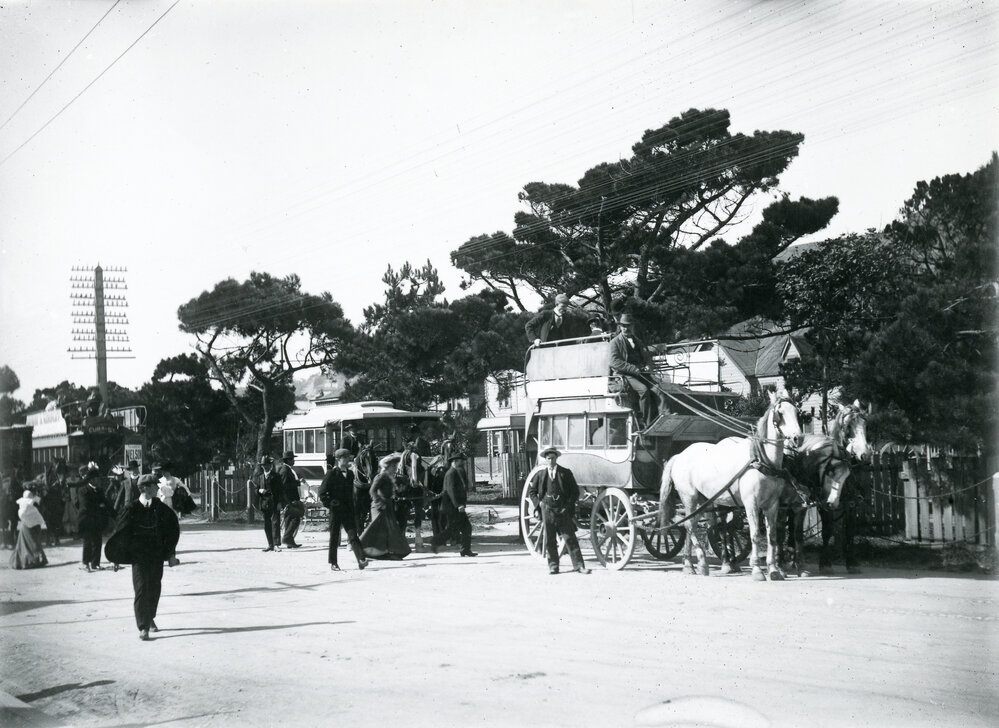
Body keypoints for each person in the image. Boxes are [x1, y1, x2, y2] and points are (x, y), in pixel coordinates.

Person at [105, 474, 180, 641]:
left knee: (154, 588)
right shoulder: (131, 509)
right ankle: (143, 626)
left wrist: (171, 555)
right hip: (138, 557)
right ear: (144, 488)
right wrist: (116, 557)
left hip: (156, 555)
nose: (157, 488)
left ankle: (150, 616)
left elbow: (172, 530)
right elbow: (121, 533)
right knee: (141, 589)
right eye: (154, 486)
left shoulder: (161, 509)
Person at [527, 448, 589, 575]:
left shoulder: (565, 473)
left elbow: (575, 492)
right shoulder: (541, 475)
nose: (551, 461)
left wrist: (568, 505)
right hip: (547, 510)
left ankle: (579, 566)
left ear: (556, 459)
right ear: (546, 460)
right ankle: (553, 566)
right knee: (550, 539)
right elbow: (532, 492)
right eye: (548, 459)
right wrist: (539, 504)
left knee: (570, 538)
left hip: (563, 510)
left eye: (553, 458)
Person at [317, 449, 368, 572]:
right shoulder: (331, 474)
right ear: (338, 460)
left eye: (348, 458)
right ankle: (333, 563)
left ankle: (361, 560)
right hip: (336, 511)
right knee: (334, 537)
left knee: (353, 535)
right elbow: (322, 492)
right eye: (344, 458)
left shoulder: (350, 474)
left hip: (348, 510)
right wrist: (330, 503)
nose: (347, 460)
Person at [609, 313, 659, 430]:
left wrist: (648, 366)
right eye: (623, 326)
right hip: (625, 375)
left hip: (641, 374)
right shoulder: (615, 342)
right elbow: (614, 362)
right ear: (620, 327)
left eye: (628, 326)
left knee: (657, 388)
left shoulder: (638, 341)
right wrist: (633, 369)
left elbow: (647, 357)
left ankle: (666, 416)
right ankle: (647, 423)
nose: (626, 328)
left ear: (632, 327)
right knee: (643, 390)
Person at [359, 454, 411, 560]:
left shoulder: (389, 477)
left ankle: (384, 552)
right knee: (375, 529)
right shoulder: (381, 476)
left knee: (389, 530)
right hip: (379, 507)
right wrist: (379, 503)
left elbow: (389, 492)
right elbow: (372, 490)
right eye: (393, 467)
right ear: (387, 467)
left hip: (387, 506)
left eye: (396, 466)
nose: (395, 469)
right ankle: (361, 548)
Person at [433, 452, 476, 557]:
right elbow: (451, 491)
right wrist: (458, 505)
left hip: (454, 507)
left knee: (461, 528)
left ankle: (465, 550)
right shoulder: (451, 473)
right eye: (461, 461)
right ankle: (435, 541)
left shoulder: (454, 472)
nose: (462, 463)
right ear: (455, 462)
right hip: (452, 507)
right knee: (457, 529)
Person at [77, 463, 112, 572]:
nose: (99, 481)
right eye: (97, 479)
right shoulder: (83, 490)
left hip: (96, 520)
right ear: (91, 480)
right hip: (86, 520)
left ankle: (95, 564)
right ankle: (85, 563)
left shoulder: (99, 490)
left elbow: (105, 503)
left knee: (97, 541)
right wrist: (98, 505)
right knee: (87, 542)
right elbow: (85, 505)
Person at [525, 293, 590, 346]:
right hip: (546, 349)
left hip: (562, 351)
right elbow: (529, 325)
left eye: (566, 307)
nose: (565, 309)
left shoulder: (568, 317)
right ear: (556, 304)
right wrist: (535, 339)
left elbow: (575, 331)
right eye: (562, 306)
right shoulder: (546, 314)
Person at [9, 489, 48, 569]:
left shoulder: (22, 508)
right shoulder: (32, 509)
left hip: (25, 527)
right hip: (32, 528)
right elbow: (39, 520)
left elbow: (22, 516)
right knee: (34, 544)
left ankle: (23, 561)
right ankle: (34, 561)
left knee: (24, 544)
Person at [254, 456, 285, 552]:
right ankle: (270, 544)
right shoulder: (260, 477)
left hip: (275, 502)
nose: (265, 467)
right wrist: (259, 490)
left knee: (275, 523)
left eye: (267, 465)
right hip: (264, 503)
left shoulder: (276, 476)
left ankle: (276, 544)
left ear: (270, 465)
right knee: (267, 524)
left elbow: (281, 491)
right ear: (262, 466)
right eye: (263, 465)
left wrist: (280, 502)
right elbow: (255, 489)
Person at [275, 451, 304, 548]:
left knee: (289, 519)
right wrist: (286, 501)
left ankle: (289, 541)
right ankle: (287, 537)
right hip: (289, 499)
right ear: (288, 460)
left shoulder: (287, 469)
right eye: (292, 459)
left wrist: (296, 482)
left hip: (289, 499)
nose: (294, 460)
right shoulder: (285, 470)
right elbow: (283, 486)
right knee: (296, 517)